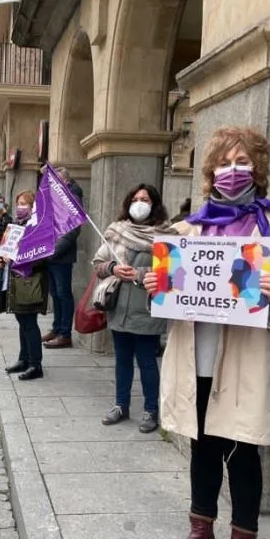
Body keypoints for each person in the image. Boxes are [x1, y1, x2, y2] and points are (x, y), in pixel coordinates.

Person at [143, 126, 270, 539]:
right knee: (202, 449)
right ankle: (200, 531)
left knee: (243, 454)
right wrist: (156, 286)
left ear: (257, 168)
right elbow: (172, 291)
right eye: (224, 163)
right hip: (197, 360)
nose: (232, 171)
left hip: (246, 363)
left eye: (242, 162)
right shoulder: (188, 229)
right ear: (210, 172)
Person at [93, 184, 172, 433]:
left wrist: (140, 274)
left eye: (145, 199)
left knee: (147, 361)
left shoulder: (167, 236)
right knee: (122, 360)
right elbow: (98, 263)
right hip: (119, 308)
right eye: (136, 198)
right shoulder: (117, 232)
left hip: (147, 309)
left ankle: (151, 410)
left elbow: (173, 272)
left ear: (155, 204)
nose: (140, 203)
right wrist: (113, 269)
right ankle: (121, 405)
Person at [0, 190, 47, 381]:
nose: (20, 207)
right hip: (13, 280)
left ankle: (36, 364)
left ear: (33, 207)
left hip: (29, 281)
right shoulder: (15, 225)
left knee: (29, 323)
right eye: (19, 203)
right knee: (22, 322)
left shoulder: (37, 227)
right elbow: (5, 251)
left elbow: (41, 257)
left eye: (25, 203)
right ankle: (24, 359)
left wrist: (15, 259)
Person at [44, 167, 84, 349]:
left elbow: (72, 230)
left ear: (66, 182)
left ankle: (65, 333)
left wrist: (53, 251)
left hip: (61, 256)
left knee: (63, 294)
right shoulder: (54, 199)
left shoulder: (72, 199)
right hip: (50, 255)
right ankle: (57, 327)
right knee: (55, 293)